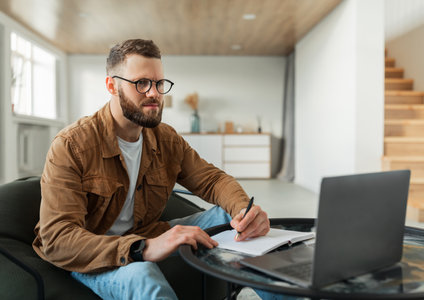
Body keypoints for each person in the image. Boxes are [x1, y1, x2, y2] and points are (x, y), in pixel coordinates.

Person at [32, 39, 271, 299]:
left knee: (233, 220)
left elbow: (212, 180)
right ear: (112, 85)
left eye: (159, 84)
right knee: (143, 275)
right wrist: (141, 248)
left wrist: (243, 210)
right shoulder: (71, 145)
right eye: (141, 83)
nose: (154, 93)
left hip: (144, 233)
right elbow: (58, 238)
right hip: (94, 254)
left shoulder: (165, 138)